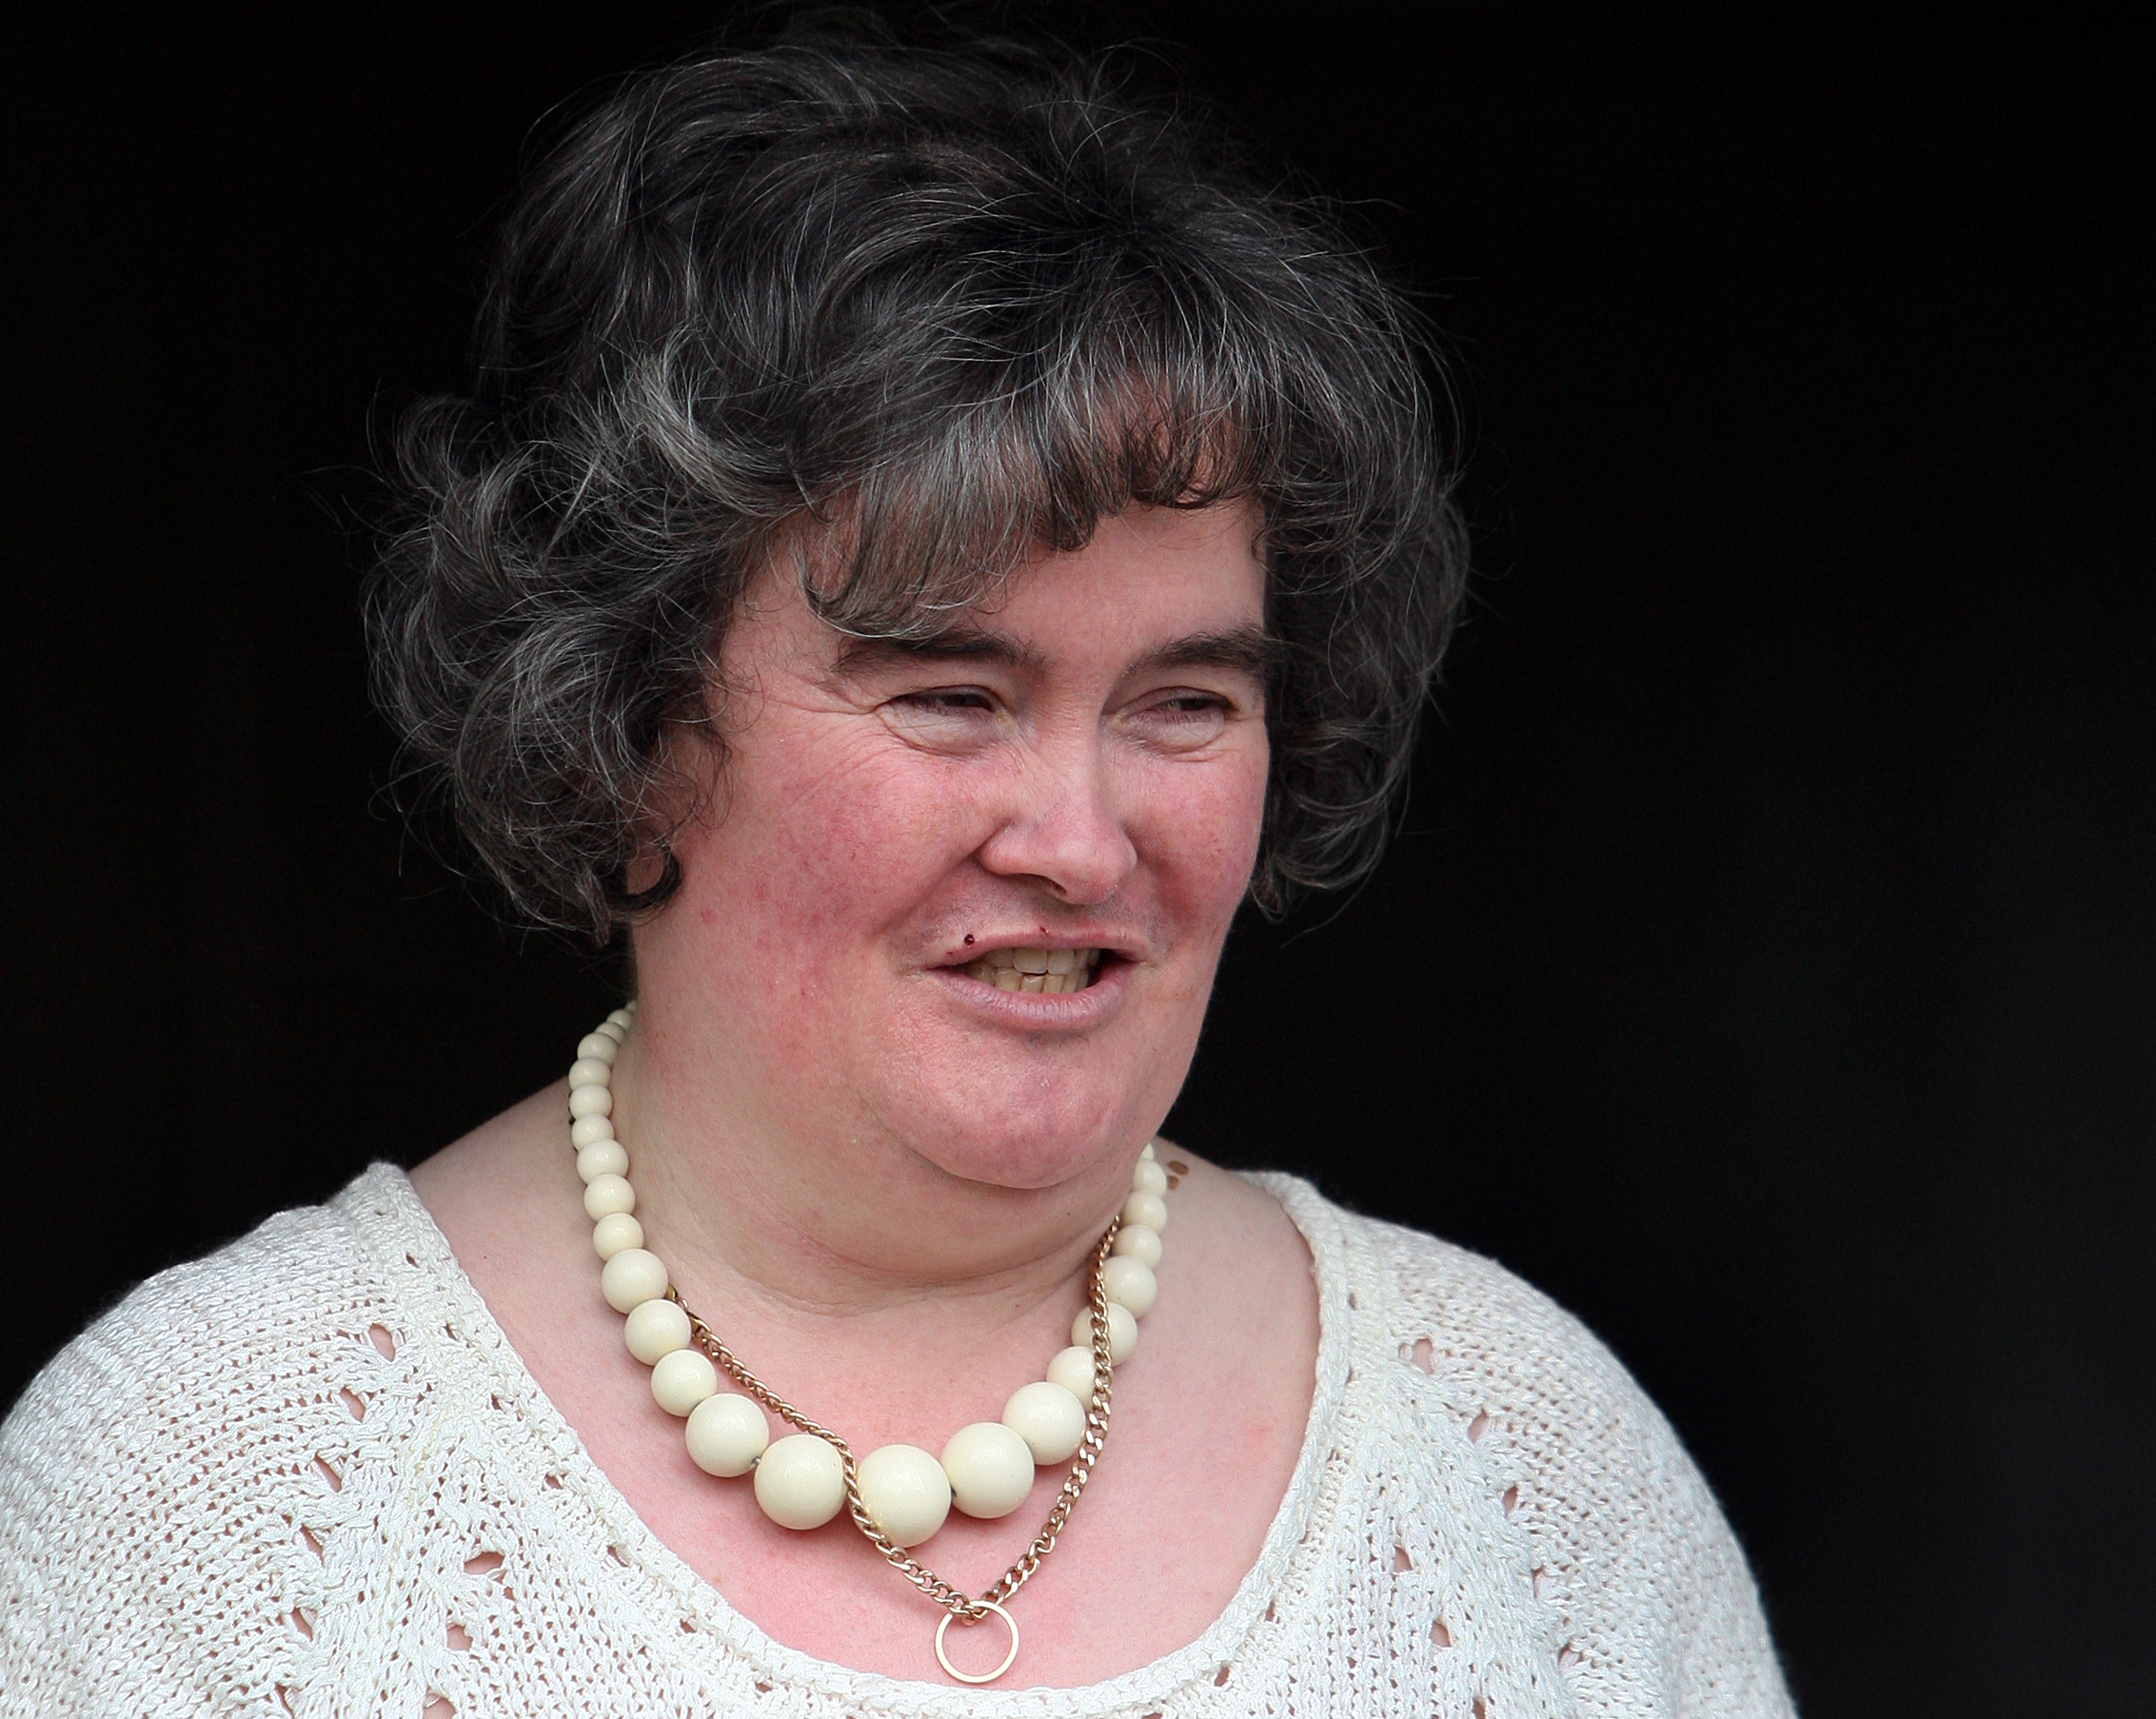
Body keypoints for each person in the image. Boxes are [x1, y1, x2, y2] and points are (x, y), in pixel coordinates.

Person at [0, 20, 1794, 1716]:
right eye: (949, 692)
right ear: (621, 727)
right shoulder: (197, 1502)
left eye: (1182, 699)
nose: (1081, 841)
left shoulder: (1529, 1474)